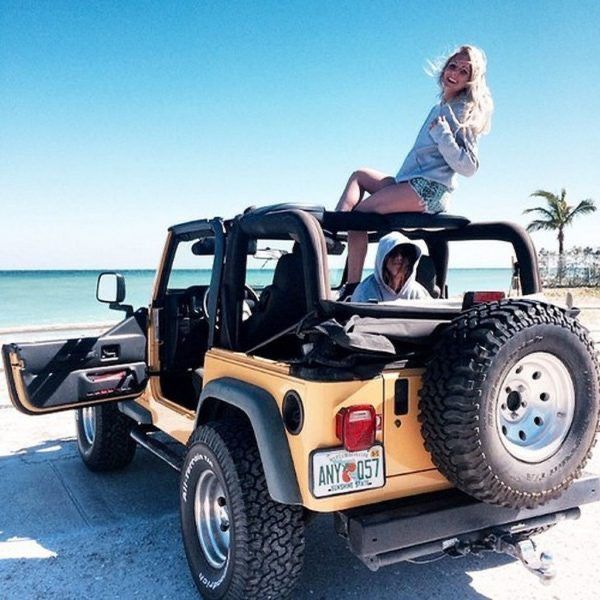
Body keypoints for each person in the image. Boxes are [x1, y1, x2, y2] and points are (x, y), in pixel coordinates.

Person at [336, 45, 493, 293]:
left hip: (429, 188)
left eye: (464, 71)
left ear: (470, 80)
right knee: (360, 175)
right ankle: (333, 232)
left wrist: (443, 136)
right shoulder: (440, 106)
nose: (455, 73)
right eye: (452, 66)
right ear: (444, 68)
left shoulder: (463, 111)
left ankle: (352, 286)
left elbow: (469, 167)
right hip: (410, 182)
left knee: (360, 216)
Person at [351, 232, 430, 302]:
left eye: (404, 253)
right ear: (382, 257)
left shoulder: (417, 293)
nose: (399, 257)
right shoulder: (365, 291)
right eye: (393, 252)